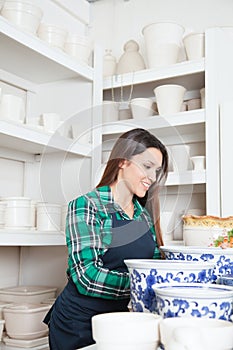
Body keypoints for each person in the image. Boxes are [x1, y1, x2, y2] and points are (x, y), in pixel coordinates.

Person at [44, 128, 168, 350]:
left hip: (121, 324)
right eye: (147, 166)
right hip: (79, 325)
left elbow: (154, 265)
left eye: (157, 170)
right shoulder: (87, 206)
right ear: (122, 162)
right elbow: (87, 276)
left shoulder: (143, 215)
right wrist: (143, 286)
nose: (152, 177)